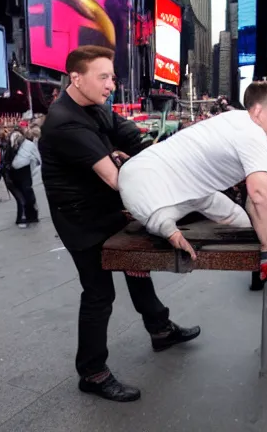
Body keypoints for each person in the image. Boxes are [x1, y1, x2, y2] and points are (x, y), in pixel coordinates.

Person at [39, 45, 200, 403]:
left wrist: (160, 150)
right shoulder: (64, 120)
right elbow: (117, 179)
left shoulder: (95, 107)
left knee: (137, 266)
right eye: (104, 77)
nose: (111, 84)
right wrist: (150, 174)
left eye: (112, 76)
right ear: (75, 78)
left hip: (107, 211)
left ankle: (160, 329)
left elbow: (128, 134)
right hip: (82, 222)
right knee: (99, 295)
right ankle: (93, 373)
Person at [118, 81, 267, 268]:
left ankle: (166, 224)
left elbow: (255, 200)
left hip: (180, 187)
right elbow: (259, 195)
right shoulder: (255, 136)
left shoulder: (236, 119)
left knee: (233, 216)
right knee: (219, 212)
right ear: (258, 112)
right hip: (144, 181)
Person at [3, 130, 41, 228]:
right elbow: (6, 159)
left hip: (24, 171)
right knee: (21, 196)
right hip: (14, 173)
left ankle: (29, 215)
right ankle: (25, 216)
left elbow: (37, 158)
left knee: (27, 193)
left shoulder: (27, 144)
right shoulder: (9, 146)